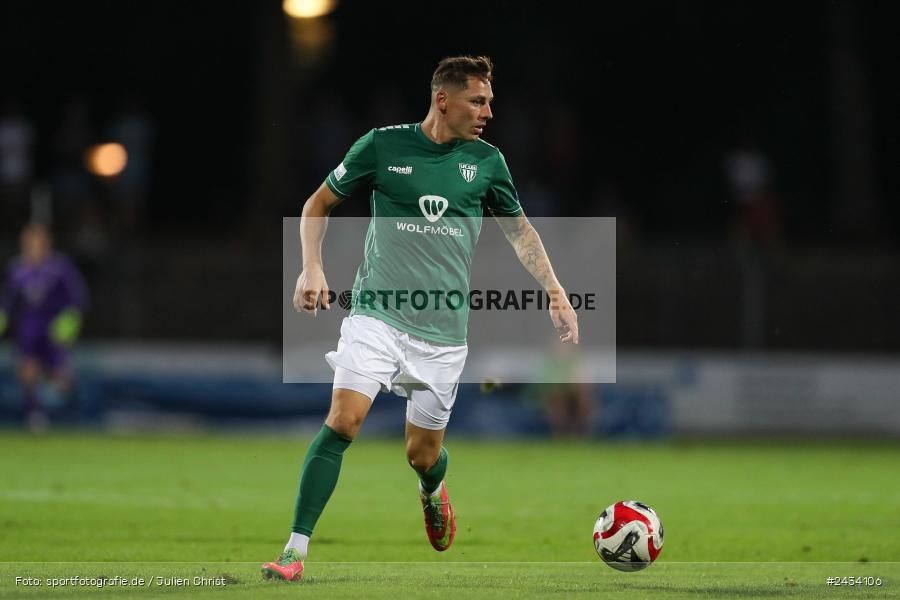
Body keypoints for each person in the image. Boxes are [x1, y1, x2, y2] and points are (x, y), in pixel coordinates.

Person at [262, 56, 579, 582]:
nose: (487, 112)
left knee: (421, 454)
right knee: (344, 421)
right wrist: (311, 269)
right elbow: (317, 204)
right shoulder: (382, 146)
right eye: (478, 101)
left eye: (490, 102)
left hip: (443, 335)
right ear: (443, 99)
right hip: (375, 315)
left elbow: (521, 232)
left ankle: (433, 490)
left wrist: (555, 291)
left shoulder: (488, 162)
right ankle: (294, 551)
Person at [0, 223, 87, 432]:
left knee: (60, 379)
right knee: (27, 370)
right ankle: (35, 415)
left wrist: (69, 323)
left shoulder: (60, 268)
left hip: (53, 330)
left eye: (37, 244)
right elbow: (8, 303)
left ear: (47, 245)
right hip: (29, 328)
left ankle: (79, 414)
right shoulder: (17, 270)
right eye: (29, 244)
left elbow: (77, 298)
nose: (33, 249)